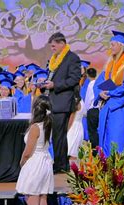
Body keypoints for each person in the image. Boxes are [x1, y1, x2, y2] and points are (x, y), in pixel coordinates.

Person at [16, 95, 54, 205]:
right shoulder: (48, 124)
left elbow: (27, 152)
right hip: (45, 164)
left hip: (35, 164)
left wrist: (21, 163)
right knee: (43, 202)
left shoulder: (35, 127)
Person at [41, 32, 81, 173]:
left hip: (63, 102)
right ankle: (60, 163)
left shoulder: (72, 58)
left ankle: (61, 165)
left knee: (59, 135)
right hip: (53, 101)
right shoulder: (55, 59)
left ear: (62, 43)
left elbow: (74, 79)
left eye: (53, 46)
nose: (52, 49)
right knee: (56, 135)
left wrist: (55, 85)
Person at [95, 30, 124, 156]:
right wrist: (100, 92)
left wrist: (110, 93)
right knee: (105, 138)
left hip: (119, 109)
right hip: (106, 108)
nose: (110, 47)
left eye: (113, 44)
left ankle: (119, 173)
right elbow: (98, 83)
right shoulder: (109, 66)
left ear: (121, 45)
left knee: (117, 139)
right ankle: (105, 172)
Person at [67, 95, 85, 161]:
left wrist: (65, 130)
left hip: (72, 129)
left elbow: (71, 118)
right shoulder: (82, 101)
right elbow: (85, 113)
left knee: (71, 154)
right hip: (80, 127)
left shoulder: (75, 102)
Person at [84, 68, 98, 149]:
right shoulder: (99, 82)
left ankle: (94, 151)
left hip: (92, 110)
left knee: (92, 132)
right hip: (99, 110)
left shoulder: (90, 85)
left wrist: (86, 111)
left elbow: (88, 99)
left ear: (88, 75)